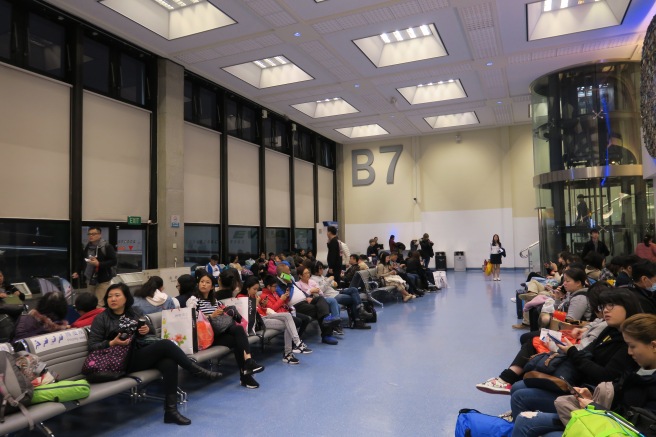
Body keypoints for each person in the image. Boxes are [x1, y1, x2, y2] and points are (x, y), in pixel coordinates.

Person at [88, 283, 221, 425]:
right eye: (109, 296)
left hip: (137, 355)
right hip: (117, 362)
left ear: (126, 298)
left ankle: (171, 412)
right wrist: (112, 343)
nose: (112, 299)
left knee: (169, 362)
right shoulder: (101, 319)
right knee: (165, 344)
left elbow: (149, 332)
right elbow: (93, 347)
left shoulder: (134, 312)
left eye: (117, 295)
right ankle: (194, 369)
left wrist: (146, 329)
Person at [511, 313, 656, 437]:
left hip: (607, 427)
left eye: (633, 346)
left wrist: (595, 406)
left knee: (526, 421)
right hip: (602, 416)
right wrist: (591, 395)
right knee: (522, 404)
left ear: (653, 346)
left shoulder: (644, 376)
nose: (629, 352)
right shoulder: (639, 368)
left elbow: (639, 428)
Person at [508, 288, 643, 421]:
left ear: (628, 306)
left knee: (520, 396)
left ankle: (524, 419)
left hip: (591, 396)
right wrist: (574, 352)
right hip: (578, 382)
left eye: (611, 305)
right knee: (518, 385)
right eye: (604, 305)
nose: (606, 310)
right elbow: (587, 351)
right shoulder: (610, 329)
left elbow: (604, 376)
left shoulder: (629, 344)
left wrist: (573, 352)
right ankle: (519, 412)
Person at [476, 281, 608, 396]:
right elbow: (594, 323)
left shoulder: (580, 300)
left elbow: (572, 322)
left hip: (572, 348)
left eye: (568, 280)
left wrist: (554, 346)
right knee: (532, 332)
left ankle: (508, 378)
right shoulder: (600, 318)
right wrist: (584, 328)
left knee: (532, 339)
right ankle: (509, 378)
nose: (565, 283)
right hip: (574, 339)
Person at [193, 272, 264, 389]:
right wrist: (211, 315)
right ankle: (247, 368)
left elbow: (224, 312)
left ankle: (246, 371)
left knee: (238, 339)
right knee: (238, 331)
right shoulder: (194, 301)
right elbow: (194, 321)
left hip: (219, 333)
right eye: (201, 282)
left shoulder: (215, 301)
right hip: (206, 337)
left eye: (207, 282)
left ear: (212, 287)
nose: (204, 284)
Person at [240, 276, 312, 365]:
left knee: (288, 320)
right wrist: (257, 303)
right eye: (254, 289)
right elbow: (247, 315)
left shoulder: (257, 296)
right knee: (288, 319)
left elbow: (262, 311)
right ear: (247, 288)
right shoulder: (241, 297)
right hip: (258, 322)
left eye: (257, 289)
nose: (256, 292)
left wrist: (262, 305)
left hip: (265, 317)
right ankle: (296, 345)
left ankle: (289, 353)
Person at [276, 263, 340, 345]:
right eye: (288, 271)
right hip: (296, 305)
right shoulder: (277, 285)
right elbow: (286, 298)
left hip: (305, 300)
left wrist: (307, 296)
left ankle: (326, 319)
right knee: (320, 310)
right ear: (282, 274)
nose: (290, 273)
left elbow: (298, 290)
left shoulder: (288, 278)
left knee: (320, 299)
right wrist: (289, 283)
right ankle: (326, 335)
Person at [310, 261, 372, 330]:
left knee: (354, 289)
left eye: (322, 268)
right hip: (331, 297)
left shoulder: (321, 276)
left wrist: (333, 283)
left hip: (336, 292)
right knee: (353, 299)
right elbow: (320, 290)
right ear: (315, 270)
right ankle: (358, 318)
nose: (322, 270)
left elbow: (329, 285)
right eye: (320, 269)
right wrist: (329, 281)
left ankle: (360, 311)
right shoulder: (313, 279)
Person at [72, 227, 117, 307]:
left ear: (99, 235)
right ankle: (91, 318)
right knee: (89, 301)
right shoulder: (88, 246)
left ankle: (98, 319)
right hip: (90, 278)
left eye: (94, 234)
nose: (91, 236)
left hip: (103, 279)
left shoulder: (106, 246)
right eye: (89, 234)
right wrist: (77, 271)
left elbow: (113, 261)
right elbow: (82, 260)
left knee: (99, 303)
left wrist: (99, 264)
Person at [259, 274, 312, 339]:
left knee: (306, 319)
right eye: (274, 286)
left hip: (286, 311)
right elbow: (272, 309)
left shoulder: (274, 292)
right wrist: (281, 299)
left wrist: (286, 297)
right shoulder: (264, 296)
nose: (276, 288)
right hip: (279, 315)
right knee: (298, 321)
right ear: (268, 287)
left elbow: (282, 303)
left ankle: (298, 338)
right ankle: (295, 340)